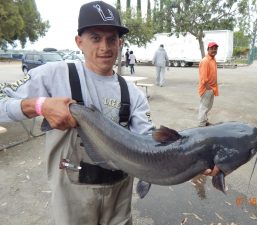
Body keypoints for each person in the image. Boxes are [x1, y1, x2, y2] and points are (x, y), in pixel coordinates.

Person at [0, 1, 219, 224]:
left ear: (120, 42)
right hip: (72, 203)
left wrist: (196, 158)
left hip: (119, 201)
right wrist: (39, 106)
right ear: (79, 42)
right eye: (95, 37)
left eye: (111, 38)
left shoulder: (134, 94)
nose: (105, 46)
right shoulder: (52, 75)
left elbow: (149, 143)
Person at [198, 42, 219, 127]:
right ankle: (201, 124)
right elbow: (203, 76)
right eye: (212, 48)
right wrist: (207, 86)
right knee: (204, 107)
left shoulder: (213, 59)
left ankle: (204, 121)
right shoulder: (205, 61)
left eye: (215, 48)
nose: (214, 50)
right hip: (207, 88)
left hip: (212, 88)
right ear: (208, 49)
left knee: (208, 106)